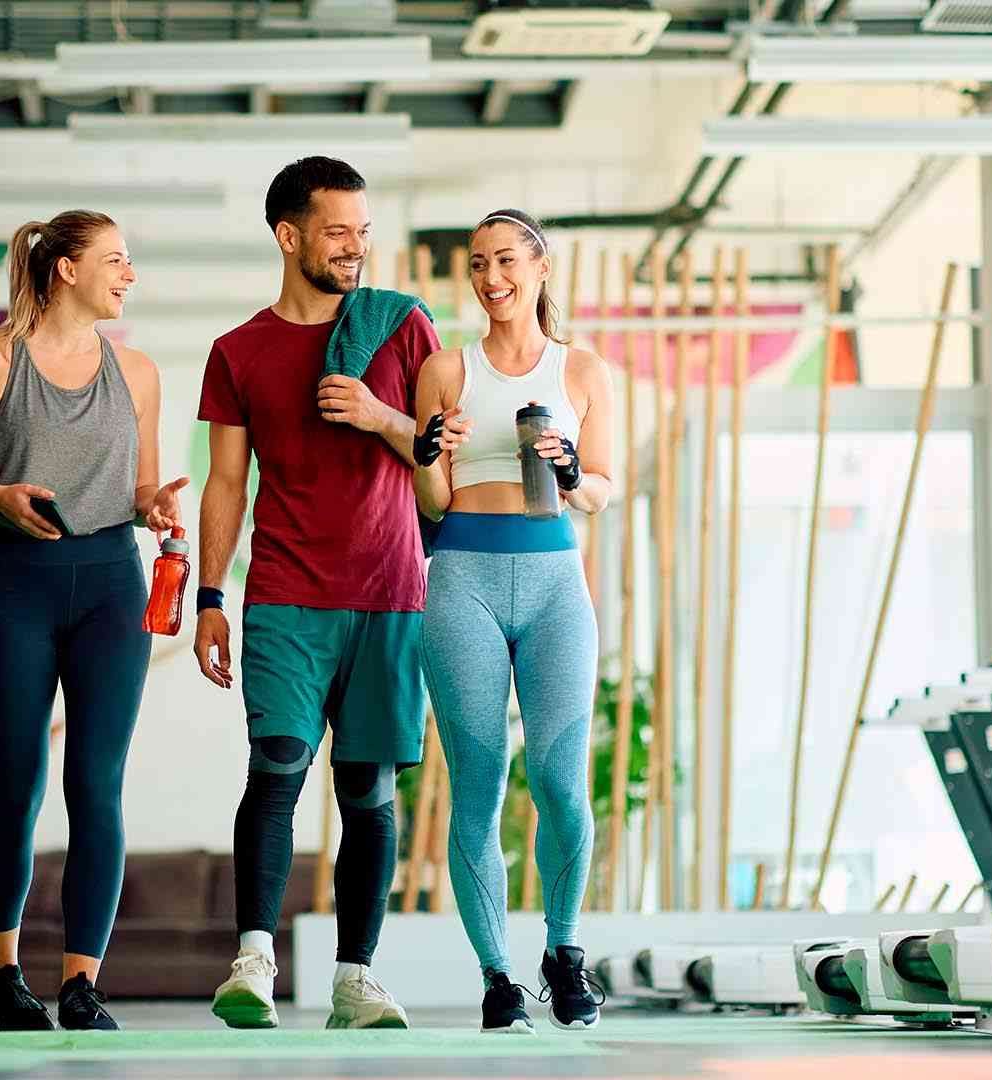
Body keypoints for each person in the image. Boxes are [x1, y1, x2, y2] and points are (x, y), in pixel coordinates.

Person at [194, 156, 439, 1030]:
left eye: (364, 232)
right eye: (338, 232)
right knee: (280, 766)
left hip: (389, 593)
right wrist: (210, 598)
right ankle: (253, 960)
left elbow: (441, 453)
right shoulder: (238, 353)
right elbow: (226, 484)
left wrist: (379, 415)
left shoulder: (403, 328)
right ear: (288, 235)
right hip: (286, 595)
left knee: (369, 788)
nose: (355, 249)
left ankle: (355, 977)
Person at [0, 212, 187, 1032]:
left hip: (110, 585)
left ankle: (84, 982)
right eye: (116, 260)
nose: (130, 275)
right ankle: (4, 975)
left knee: (96, 785)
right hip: (15, 582)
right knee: (15, 785)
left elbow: (140, 488)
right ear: (64, 270)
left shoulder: (140, 373)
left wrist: (155, 509)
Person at [409, 208, 615, 1034]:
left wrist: (570, 471)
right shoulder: (443, 370)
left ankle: (564, 954)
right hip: (462, 576)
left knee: (563, 783)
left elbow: (604, 488)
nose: (490, 277)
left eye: (505, 261)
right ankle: (497, 976)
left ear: (539, 268)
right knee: (480, 786)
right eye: (477, 264)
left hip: (557, 579)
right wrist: (426, 454)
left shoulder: (585, 370)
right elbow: (431, 500)